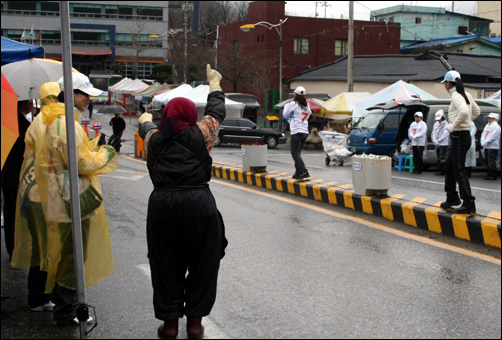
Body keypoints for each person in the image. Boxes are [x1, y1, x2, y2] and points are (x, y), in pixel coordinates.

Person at [11, 73, 119, 326]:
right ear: (70, 94)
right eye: (84, 95)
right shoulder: (63, 123)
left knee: (53, 251)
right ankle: (65, 310)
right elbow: (77, 161)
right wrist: (104, 154)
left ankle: (49, 301)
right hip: (65, 199)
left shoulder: (48, 119)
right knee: (71, 254)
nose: (88, 101)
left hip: (46, 195)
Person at [137, 65, 227, 340]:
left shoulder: (153, 139)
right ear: (190, 116)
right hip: (199, 205)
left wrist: (144, 118)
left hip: (162, 207)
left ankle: (171, 326)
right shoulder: (202, 133)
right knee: (203, 263)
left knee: (165, 264)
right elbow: (216, 112)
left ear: (165, 117)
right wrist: (214, 84)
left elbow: (147, 125)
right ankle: (195, 325)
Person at [11, 83, 61, 312]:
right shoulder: (54, 121)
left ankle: (37, 295)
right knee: (51, 246)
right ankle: (44, 295)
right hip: (47, 192)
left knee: (40, 247)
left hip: (31, 191)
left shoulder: (36, 123)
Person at [440, 70, 480, 214]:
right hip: (463, 135)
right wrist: (467, 123)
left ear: (448, 83)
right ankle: (452, 197)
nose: (444, 85)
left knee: (459, 170)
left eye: (444, 83)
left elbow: (464, 112)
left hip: (459, 136)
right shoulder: (466, 94)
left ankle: (469, 202)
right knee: (450, 167)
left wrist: (454, 125)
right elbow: (476, 112)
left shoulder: (456, 96)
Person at [2, 100, 32, 260]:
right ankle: (15, 248)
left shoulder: (7, 121)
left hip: (6, 174)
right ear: (24, 104)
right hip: (18, 175)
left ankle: (11, 246)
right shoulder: (23, 124)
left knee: (9, 211)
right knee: (16, 212)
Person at [283, 86, 312, 179]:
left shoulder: (293, 104)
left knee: (295, 154)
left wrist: (291, 118)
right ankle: (298, 172)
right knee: (297, 154)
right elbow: (309, 114)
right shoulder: (306, 105)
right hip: (304, 131)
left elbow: (285, 114)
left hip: (296, 130)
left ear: (295, 94)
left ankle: (304, 171)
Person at [480, 113, 501, 180]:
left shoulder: (496, 126)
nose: (489, 119)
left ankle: (493, 175)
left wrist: (487, 142)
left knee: (492, 161)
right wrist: (483, 142)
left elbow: (493, 136)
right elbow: (484, 134)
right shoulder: (487, 125)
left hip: (493, 146)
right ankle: (489, 174)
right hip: (486, 146)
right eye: (488, 118)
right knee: (488, 161)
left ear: (494, 119)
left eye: (490, 118)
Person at [431, 109, 449, 175]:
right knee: (438, 157)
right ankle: (439, 169)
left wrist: (440, 140)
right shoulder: (436, 124)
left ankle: (443, 170)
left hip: (444, 144)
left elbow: (445, 133)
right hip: (437, 144)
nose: (439, 120)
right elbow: (434, 133)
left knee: (443, 157)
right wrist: (435, 141)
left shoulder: (446, 124)